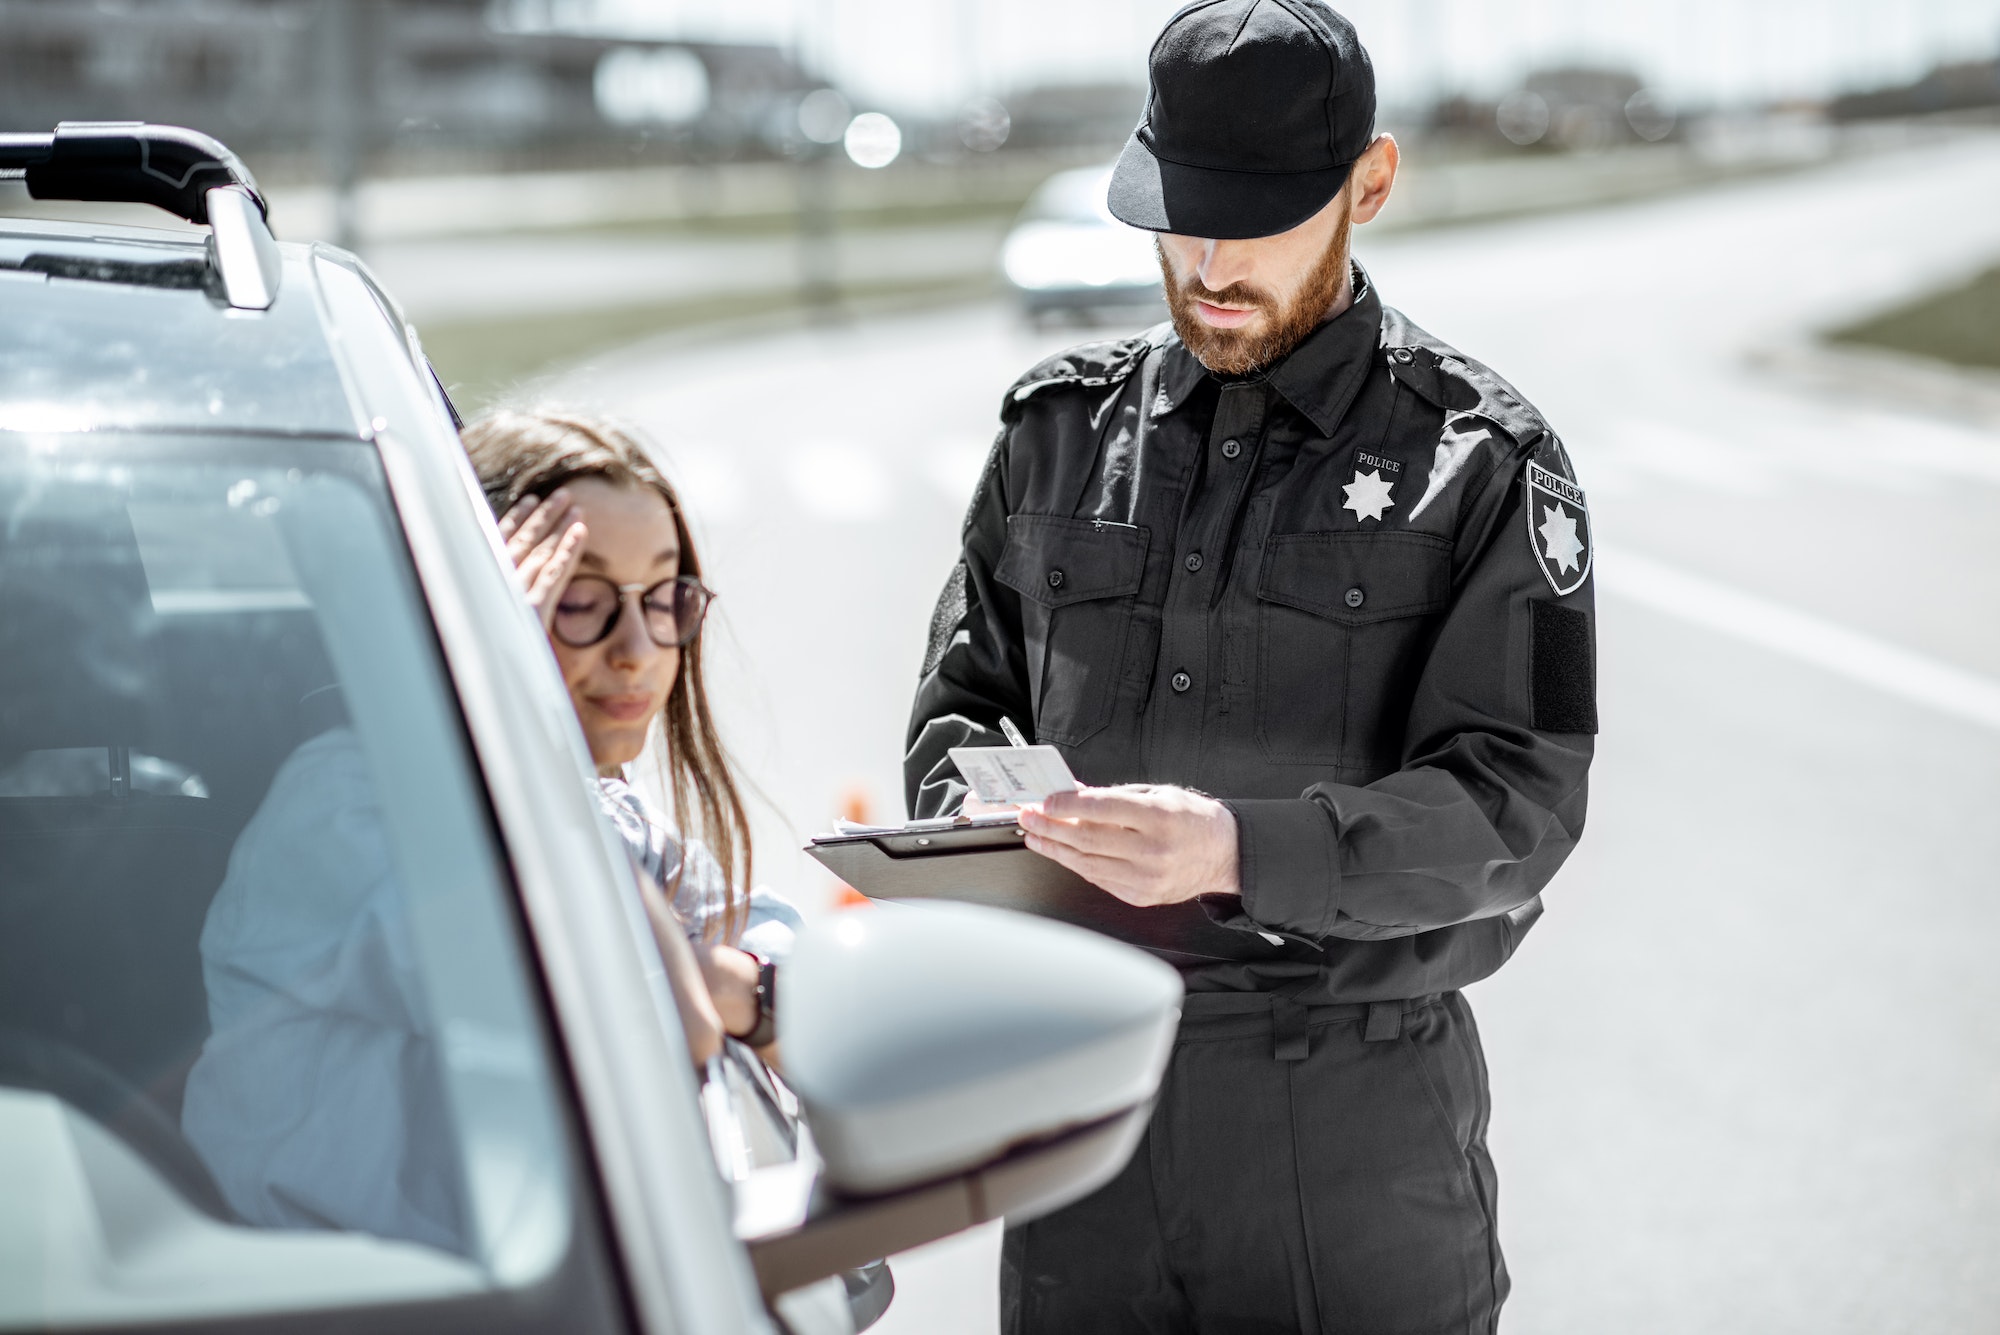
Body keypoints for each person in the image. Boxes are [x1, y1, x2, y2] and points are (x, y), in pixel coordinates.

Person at [906, 4, 1596, 1331]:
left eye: (1260, 218)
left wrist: (1235, 847)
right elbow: (960, 701)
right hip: (1084, 1111)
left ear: (1370, 185)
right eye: (1184, 215)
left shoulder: (1486, 461)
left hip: (1345, 1120)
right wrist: (987, 825)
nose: (1211, 264)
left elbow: (1522, 799)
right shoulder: (1053, 436)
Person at [462, 408, 800, 1059]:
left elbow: (789, 952)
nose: (639, 649)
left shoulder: (605, 799)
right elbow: (685, 1021)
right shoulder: (361, 816)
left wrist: (738, 982)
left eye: (663, 596)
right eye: (579, 602)